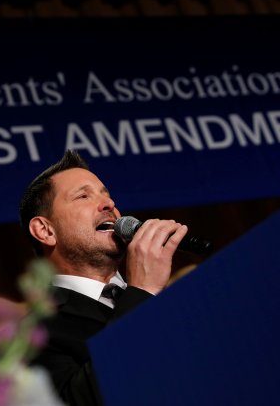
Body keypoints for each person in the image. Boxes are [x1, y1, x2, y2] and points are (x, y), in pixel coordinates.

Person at [19, 150, 188, 406]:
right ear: (45, 230)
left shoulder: (176, 300)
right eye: (83, 196)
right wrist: (141, 293)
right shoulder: (28, 338)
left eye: (107, 194)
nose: (109, 204)